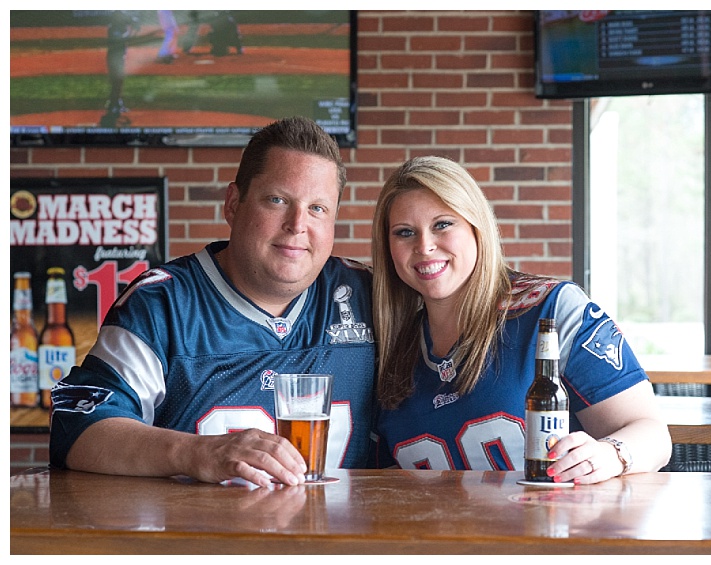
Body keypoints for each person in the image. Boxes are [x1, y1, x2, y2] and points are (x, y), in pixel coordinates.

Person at [49, 116, 378, 488]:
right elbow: (77, 431)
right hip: (201, 542)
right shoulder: (163, 303)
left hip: (340, 542)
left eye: (318, 208)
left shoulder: (366, 295)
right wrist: (196, 452)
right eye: (277, 200)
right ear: (234, 204)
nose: (297, 224)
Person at [371, 156, 671, 483]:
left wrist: (611, 454)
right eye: (404, 232)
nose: (425, 246)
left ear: (477, 227)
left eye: (443, 224)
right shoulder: (389, 345)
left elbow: (654, 435)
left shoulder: (551, 309)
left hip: (556, 528)